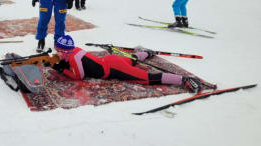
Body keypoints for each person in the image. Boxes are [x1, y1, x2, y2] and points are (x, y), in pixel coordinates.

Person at [51, 35, 202, 93]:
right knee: (132, 58)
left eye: (57, 50)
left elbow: (78, 76)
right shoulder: (74, 51)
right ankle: (147, 53)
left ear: (64, 51)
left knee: (147, 78)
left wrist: (62, 70)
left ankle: (184, 79)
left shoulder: (74, 59)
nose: (56, 53)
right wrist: (60, 63)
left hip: (113, 68)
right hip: (110, 60)